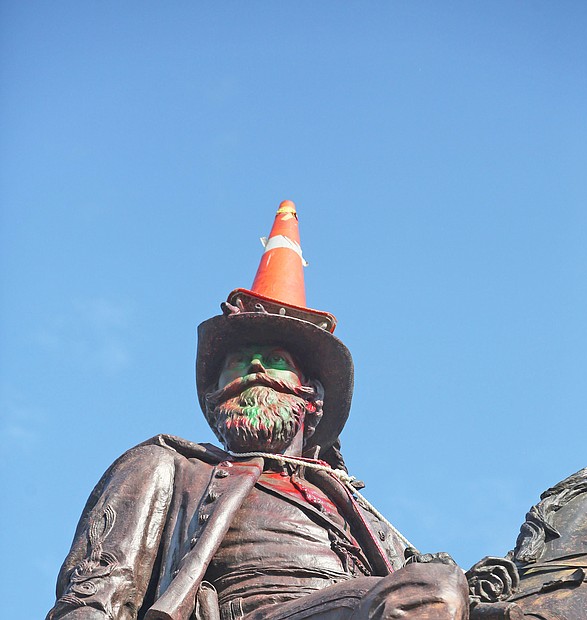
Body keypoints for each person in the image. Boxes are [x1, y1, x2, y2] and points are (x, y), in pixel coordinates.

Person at [48, 201, 469, 620]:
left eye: (276, 360)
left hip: (367, 603)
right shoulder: (167, 466)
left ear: (312, 397)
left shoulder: (357, 509)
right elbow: (92, 596)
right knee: (432, 593)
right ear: (215, 399)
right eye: (238, 362)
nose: (253, 367)